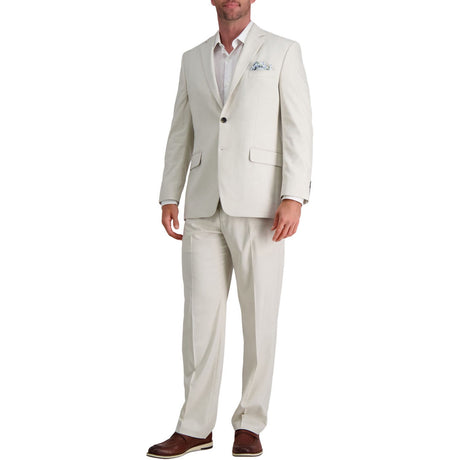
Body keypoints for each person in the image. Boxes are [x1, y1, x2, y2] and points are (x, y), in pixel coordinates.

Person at [147, 0, 312, 457]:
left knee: (259, 318)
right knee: (199, 321)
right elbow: (180, 130)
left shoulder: (282, 51)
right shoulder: (192, 58)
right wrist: (169, 194)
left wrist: (293, 195)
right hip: (202, 204)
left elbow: (298, 128)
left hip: (262, 206)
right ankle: (195, 426)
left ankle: (250, 423)